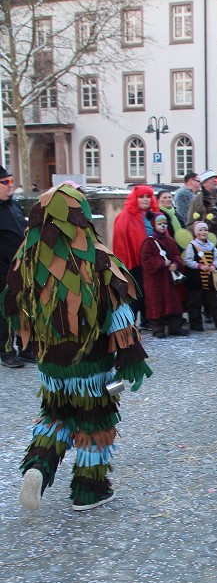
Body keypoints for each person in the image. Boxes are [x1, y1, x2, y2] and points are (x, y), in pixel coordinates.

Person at [2, 183, 152, 511]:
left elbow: (13, 311)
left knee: (56, 416)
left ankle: (38, 467)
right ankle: (89, 489)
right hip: (91, 365)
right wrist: (130, 358)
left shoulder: (25, 263)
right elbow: (119, 313)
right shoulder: (96, 259)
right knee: (95, 421)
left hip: (51, 367)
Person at [185, 170, 217, 315]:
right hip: (206, 244)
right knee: (209, 275)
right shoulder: (198, 199)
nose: (215, 180)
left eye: (216, 178)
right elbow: (190, 222)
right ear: (204, 183)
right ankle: (210, 307)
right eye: (211, 178)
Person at [112, 185, 160, 324]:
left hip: (152, 261)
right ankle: (128, 322)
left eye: (148, 197)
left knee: (150, 292)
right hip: (136, 262)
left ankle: (147, 320)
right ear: (135, 199)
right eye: (141, 197)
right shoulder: (126, 216)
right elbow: (121, 241)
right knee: (138, 294)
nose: (145, 200)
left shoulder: (153, 214)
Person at [139, 212, 189, 338]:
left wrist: (176, 264)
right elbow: (145, 260)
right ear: (154, 225)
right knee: (156, 303)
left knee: (173, 302)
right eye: (159, 224)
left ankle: (175, 327)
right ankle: (157, 329)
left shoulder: (170, 241)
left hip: (168, 279)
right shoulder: (148, 243)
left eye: (165, 224)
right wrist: (161, 263)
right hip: (155, 280)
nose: (162, 226)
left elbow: (177, 255)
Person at [0, 165, 27, 368]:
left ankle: (25, 347)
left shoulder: (14, 206)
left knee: (23, 309)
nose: (11, 186)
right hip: (2, 270)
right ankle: (6, 351)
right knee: (5, 312)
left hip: (20, 267)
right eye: (5, 182)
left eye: (11, 181)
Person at [183, 221, 217, 332]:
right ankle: (195, 324)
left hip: (210, 281)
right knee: (195, 303)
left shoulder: (211, 246)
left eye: (205, 230)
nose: (203, 232)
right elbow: (188, 261)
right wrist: (199, 266)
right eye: (200, 230)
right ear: (196, 232)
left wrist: (214, 265)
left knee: (215, 302)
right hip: (196, 280)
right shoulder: (192, 246)